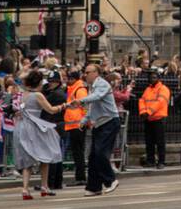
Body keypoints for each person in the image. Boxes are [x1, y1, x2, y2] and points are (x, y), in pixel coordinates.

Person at [12, 70, 65, 200]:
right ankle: (44, 186)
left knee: (27, 159)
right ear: (39, 82)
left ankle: (25, 189)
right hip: (35, 127)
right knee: (45, 155)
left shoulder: (24, 94)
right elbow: (51, 110)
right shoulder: (38, 95)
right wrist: (64, 105)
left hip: (22, 126)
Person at [72, 62, 121, 196]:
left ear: (96, 73)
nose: (85, 75)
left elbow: (97, 97)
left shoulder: (102, 84)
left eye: (88, 72)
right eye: (85, 72)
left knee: (100, 152)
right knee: (93, 156)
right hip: (100, 124)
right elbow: (93, 107)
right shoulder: (92, 87)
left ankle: (111, 180)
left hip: (109, 122)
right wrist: (84, 120)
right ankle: (94, 187)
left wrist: (81, 101)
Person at [41, 69, 68, 190]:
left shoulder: (56, 94)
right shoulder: (57, 92)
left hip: (54, 124)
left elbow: (45, 104)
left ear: (58, 82)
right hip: (56, 125)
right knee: (56, 154)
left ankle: (51, 182)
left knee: (52, 155)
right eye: (50, 81)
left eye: (53, 81)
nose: (50, 83)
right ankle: (56, 181)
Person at [138, 68, 171, 169]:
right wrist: (143, 112)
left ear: (158, 78)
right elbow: (142, 100)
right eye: (151, 77)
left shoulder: (163, 89)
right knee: (149, 141)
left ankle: (161, 162)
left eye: (154, 77)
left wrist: (147, 112)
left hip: (159, 118)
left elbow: (160, 102)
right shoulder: (148, 89)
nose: (152, 79)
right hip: (149, 118)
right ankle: (150, 161)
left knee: (160, 142)